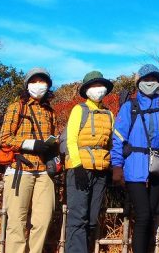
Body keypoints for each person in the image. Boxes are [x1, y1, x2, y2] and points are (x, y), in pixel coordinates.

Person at [111, 64, 159, 253]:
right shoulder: (129, 107)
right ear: (139, 82)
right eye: (146, 79)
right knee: (143, 215)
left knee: (152, 215)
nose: (149, 83)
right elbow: (118, 138)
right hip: (134, 167)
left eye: (153, 79)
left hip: (158, 168)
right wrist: (117, 166)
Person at [0, 67, 56, 253]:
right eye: (34, 81)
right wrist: (30, 144)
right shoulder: (16, 107)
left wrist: (52, 146)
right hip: (19, 169)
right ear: (27, 84)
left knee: (43, 220)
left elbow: (54, 137)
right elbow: (4, 138)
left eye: (42, 81)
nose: (38, 85)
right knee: (16, 222)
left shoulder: (50, 111)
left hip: (44, 171)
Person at [64, 71, 114, 253]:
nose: (98, 89)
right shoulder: (79, 110)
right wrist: (77, 166)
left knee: (92, 218)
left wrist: (111, 165)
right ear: (86, 90)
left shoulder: (109, 113)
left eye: (100, 85)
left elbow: (110, 143)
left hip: (100, 170)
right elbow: (71, 139)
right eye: (93, 85)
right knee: (78, 217)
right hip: (80, 168)